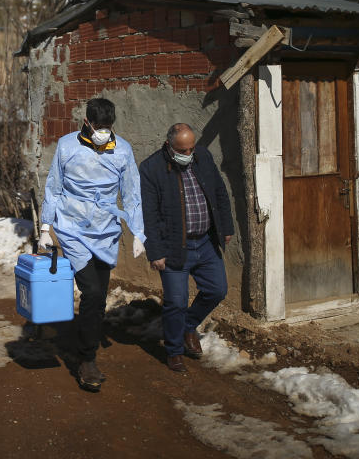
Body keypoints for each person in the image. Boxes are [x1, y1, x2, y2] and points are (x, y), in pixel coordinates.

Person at [39, 98, 146, 392]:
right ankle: (87, 359)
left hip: (105, 231)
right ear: (86, 122)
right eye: (98, 127)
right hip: (73, 229)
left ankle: (84, 340)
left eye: (108, 128)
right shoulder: (67, 146)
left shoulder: (122, 149)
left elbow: (132, 192)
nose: (103, 132)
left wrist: (138, 232)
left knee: (97, 298)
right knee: (94, 291)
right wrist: (46, 228)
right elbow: (54, 187)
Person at [138, 123, 233, 373]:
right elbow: (147, 214)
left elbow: (220, 193)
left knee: (217, 289)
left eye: (191, 148)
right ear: (169, 146)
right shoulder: (151, 169)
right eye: (183, 150)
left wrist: (226, 227)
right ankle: (173, 351)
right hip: (174, 247)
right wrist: (155, 251)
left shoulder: (203, 157)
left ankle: (187, 326)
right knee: (176, 302)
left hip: (205, 241)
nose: (188, 153)